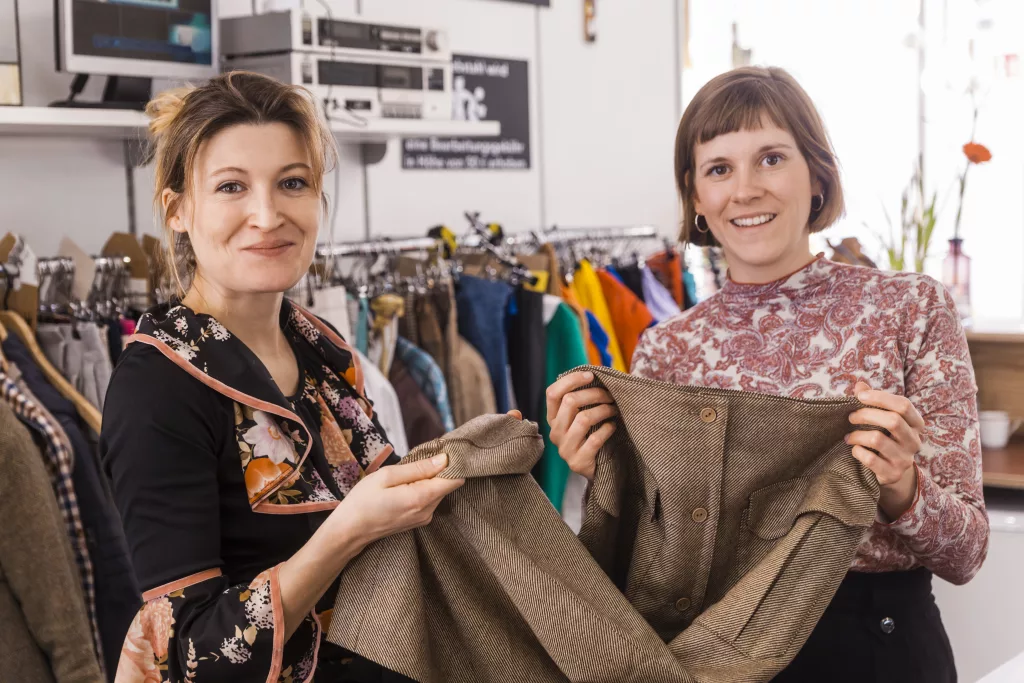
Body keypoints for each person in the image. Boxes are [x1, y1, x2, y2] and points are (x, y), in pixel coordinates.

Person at [546, 66, 987, 683]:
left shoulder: (911, 309)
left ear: (817, 176)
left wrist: (902, 487)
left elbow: (966, 553)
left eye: (771, 159)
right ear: (696, 197)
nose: (745, 189)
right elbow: (653, 562)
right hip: (711, 656)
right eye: (719, 168)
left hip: (874, 651)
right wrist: (602, 472)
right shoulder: (665, 351)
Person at [101, 71, 476, 682]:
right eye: (231, 187)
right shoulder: (159, 388)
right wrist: (347, 531)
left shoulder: (321, 352)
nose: (267, 215)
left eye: (292, 183)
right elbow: (190, 656)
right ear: (179, 211)